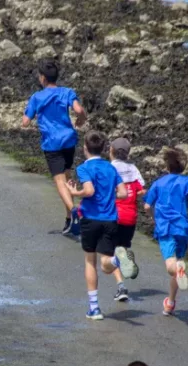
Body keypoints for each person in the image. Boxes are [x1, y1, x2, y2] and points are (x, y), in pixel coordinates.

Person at [65, 131, 137, 320]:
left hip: (91, 219)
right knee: (106, 263)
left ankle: (94, 308)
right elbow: (123, 194)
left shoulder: (84, 168)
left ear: (85, 148)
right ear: (104, 148)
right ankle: (117, 261)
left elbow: (89, 191)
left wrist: (74, 192)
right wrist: (109, 195)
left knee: (90, 261)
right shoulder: (110, 168)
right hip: (111, 219)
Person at [23, 59, 87, 235]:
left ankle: (74, 211)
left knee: (59, 181)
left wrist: (29, 117)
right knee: (67, 177)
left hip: (52, 143)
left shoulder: (36, 97)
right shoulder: (67, 92)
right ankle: (69, 220)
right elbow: (78, 110)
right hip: (69, 140)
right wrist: (81, 119)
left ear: (43, 78)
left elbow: (25, 122)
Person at [144, 148, 188, 316]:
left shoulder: (158, 183)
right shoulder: (187, 180)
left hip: (166, 228)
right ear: (183, 166)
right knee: (178, 261)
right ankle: (170, 303)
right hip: (183, 228)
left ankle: (178, 270)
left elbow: (147, 206)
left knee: (171, 265)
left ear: (166, 166)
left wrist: (153, 217)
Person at [109, 138, 145, 301]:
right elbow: (141, 190)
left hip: (115, 215)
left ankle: (121, 287)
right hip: (131, 217)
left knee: (111, 252)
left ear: (111, 151)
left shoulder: (111, 168)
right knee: (121, 249)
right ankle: (124, 263)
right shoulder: (133, 168)